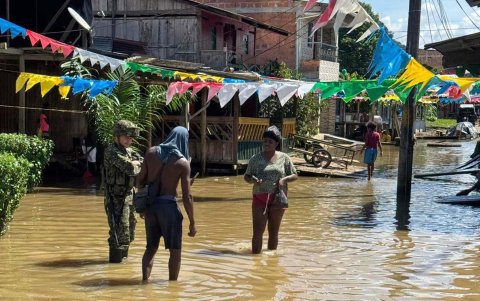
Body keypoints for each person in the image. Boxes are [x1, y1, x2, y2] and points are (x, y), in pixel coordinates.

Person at [136, 126, 196, 281]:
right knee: (175, 252)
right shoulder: (183, 163)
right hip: (169, 209)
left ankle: (144, 283)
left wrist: (143, 206)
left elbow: (140, 180)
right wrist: (192, 222)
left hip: (151, 208)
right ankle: (172, 289)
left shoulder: (151, 152)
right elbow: (187, 196)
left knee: (150, 248)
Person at [244, 125, 298, 254]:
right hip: (260, 197)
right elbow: (246, 176)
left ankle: (271, 260)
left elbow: (295, 175)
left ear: (276, 144)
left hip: (278, 198)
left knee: (274, 231)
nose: (266, 144)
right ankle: (255, 259)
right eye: (265, 141)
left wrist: (284, 180)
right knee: (258, 232)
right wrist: (254, 180)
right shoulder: (255, 159)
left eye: (270, 141)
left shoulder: (284, 158)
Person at [103, 120, 143, 263]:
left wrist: (136, 163)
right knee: (118, 234)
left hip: (129, 197)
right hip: (115, 199)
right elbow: (130, 169)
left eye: (131, 138)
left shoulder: (129, 151)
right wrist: (135, 164)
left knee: (129, 233)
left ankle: (122, 265)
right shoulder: (111, 151)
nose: (129, 140)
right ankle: (114, 266)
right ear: (117, 136)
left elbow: (143, 164)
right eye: (126, 137)